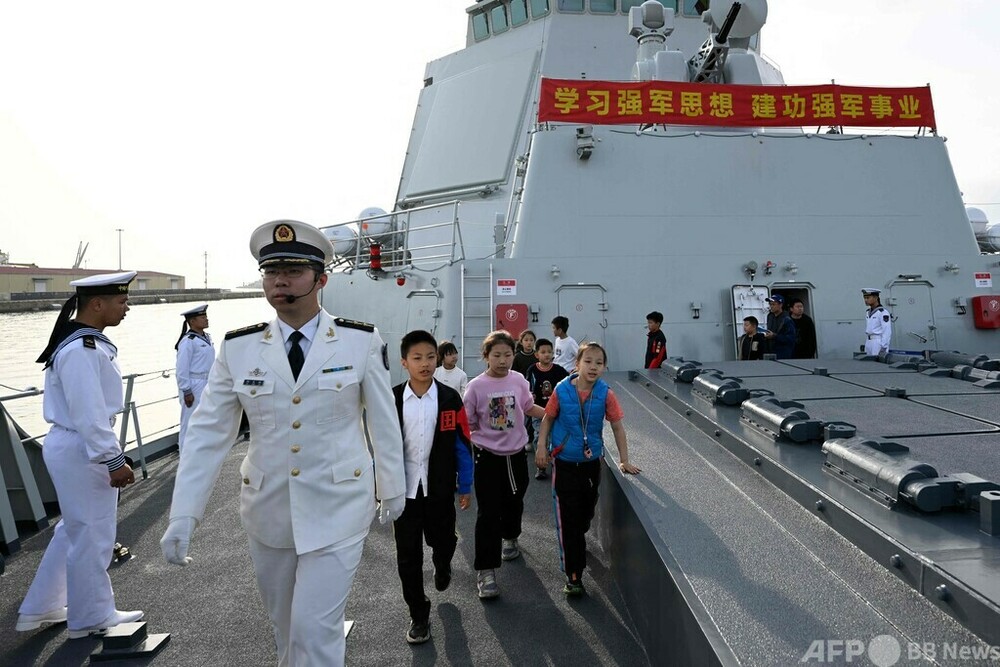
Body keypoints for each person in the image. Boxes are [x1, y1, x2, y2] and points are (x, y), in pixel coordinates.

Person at [159, 220, 406, 667]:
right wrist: (184, 513)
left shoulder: (359, 341)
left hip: (339, 506)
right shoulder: (239, 348)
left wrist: (392, 487)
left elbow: (383, 422)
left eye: (293, 270)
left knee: (314, 630)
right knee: (286, 630)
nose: (280, 280)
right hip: (268, 511)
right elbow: (208, 436)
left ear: (321, 278)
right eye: (271, 271)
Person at [16, 271, 144, 639]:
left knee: (72, 531)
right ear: (98, 304)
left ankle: (41, 607)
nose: (126, 307)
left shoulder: (83, 344)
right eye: (121, 301)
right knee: (92, 534)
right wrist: (113, 460)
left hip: (74, 443)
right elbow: (89, 413)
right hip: (82, 446)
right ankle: (91, 617)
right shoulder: (81, 349)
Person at [535, 342, 640, 596]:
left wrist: (624, 460)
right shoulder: (561, 390)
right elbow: (548, 418)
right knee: (569, 521)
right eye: (588, 361)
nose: (593, 367)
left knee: (585, 512)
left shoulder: (606, 394)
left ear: (604, 367)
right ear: (577, 364)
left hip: (591, 464)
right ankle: (574, 575)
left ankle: (579, 536)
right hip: (565, 463)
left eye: (599, 363)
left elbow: (617, 427)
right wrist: (541, 447)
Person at [391, 330, 474, 645]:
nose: (425, 364)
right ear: (404, 362)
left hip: (439, 489)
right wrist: (380, 486)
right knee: (407, 556)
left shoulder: (450, 398)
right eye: (417, 358)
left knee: (444, 541)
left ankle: (443, 563)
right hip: (404, 492)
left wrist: (465, 484)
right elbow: (383, 448)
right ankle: (419, 613)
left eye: (430, 357)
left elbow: (462, 443)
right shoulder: (393, 399)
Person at [462, 330, 544, 599]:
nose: (502, 360)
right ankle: (486, 571)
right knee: (487, 512)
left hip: (517, 456)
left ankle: (511, 536)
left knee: (515, 500)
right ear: (486, 356)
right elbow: (468, 421)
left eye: (507, 354)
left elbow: (529, 407)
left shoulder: (519, 380)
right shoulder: (476, 387)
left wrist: (555, 413)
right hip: (487, 458)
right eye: (496, 355)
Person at [525, 338, 568, 480]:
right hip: (538, 411)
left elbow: (568, 383)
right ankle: (541, 466)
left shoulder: (558, 370)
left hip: (556, 412)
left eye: (550, 351)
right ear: (537, 354)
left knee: (555, 437)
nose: (547, 354)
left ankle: (556, 462)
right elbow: (527, 387)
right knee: (539, 437)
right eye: (543, 352)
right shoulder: (532, 369)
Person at [174, 303, 215, 451]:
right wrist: (186, 390)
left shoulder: (206, 338)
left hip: (207, 382)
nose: (206, 319)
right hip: (194, 384)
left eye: (206, 316)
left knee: (205, 418)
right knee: (189, 420)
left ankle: (201, 450)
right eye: (202, 317)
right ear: (192, 321)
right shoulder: (188, 341)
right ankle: (184, 453)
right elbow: (181, 368)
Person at [763, 295, 796, 360]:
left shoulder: (787, 319)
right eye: (770, 304)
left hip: (783, 355)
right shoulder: (770, 316)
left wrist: (774, 336)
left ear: (780, 305)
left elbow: (791, 339)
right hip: (771, 353)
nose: (771, 306)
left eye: (773, 304)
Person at [863, 288, 892, 357]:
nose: (866, 300)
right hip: (869, 341)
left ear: (876, 298)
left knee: (877, 365)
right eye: (864, 298)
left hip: (877, 341)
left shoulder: (882, 313)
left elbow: (887, 331)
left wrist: (884, 346)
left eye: (868, 297)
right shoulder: (868, 312)